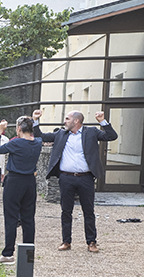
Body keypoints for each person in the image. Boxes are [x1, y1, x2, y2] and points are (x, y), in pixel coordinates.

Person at [38, 108, 118, 253]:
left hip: (85, 178)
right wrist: (36, 120)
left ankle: (91, 242)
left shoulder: (91, 132)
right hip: (66, 178)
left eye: (67, 118)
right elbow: (41, 136)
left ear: (76, 121)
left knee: (88, 211)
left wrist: (102, 122)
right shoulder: (61, 134)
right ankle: (66, 241)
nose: (64, 121)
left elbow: (111, 136)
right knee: (66, 211)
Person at [0, 115, 45, 264]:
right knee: (28, 218)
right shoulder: (38, 143)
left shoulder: (16, 143)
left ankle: (8, 253)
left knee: (11, 217)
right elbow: (37, 137)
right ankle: (28, 255)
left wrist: (0, 132)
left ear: (19, 129)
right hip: (30, 181)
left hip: (15, 181)